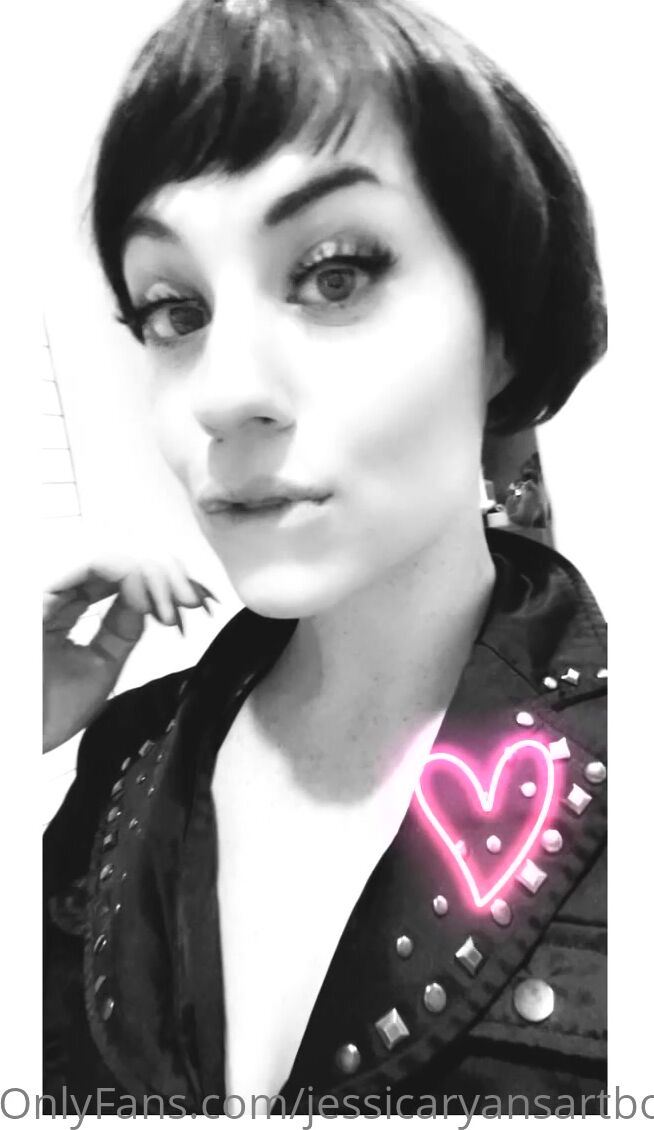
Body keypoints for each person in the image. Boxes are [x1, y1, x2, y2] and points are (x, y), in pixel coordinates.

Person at [43, 0, 607, 1117]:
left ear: (501, 331)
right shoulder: (119, 759)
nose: (222, 392)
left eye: (335, 275)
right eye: (175, 310)